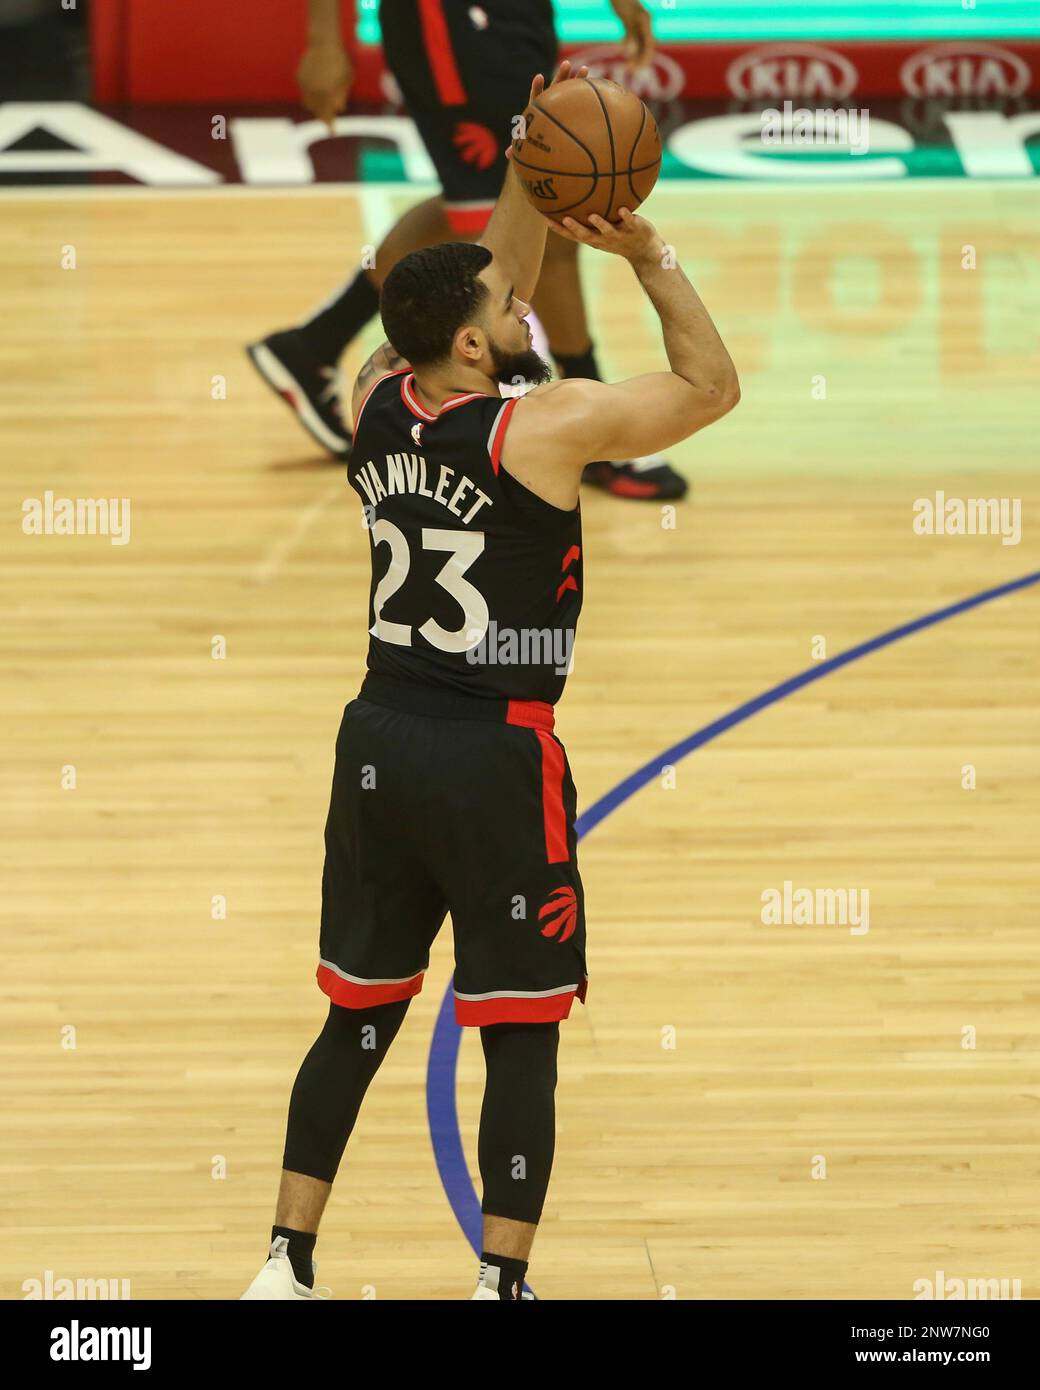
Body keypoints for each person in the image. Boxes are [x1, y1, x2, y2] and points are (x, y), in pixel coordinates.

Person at [240, 59, 738, 1302]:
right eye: (503, 312)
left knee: (358, 1015)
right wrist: (645, 251)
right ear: (473, 342)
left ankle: (285, 1262)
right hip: (493, 755)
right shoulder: (546, 426)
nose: (525, 310)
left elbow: (488, 280)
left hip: (375, 738)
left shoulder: (368, 400)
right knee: (517, 1028)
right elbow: (709, 388)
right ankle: (498, 1282)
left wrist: (527, 152)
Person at [247, 0, 690, 500]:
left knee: (498, 192)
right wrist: (326, 40)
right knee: (542, 193)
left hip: (515, 17)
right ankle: (597, 429)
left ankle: (312, 346)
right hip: (451, 21)